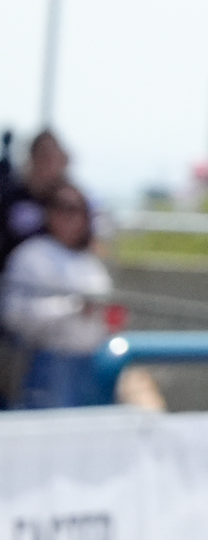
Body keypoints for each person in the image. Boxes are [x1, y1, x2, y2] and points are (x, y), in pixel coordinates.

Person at [3, 185, 112, 408]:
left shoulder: (91, 264)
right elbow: (13, 315)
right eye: (61, 208)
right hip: (44, 367)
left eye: (76, 209)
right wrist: (71, 308)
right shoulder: (30, 255)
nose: (68, 217)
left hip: (93, 366)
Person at [0, 129, 70, 272]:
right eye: (42, 155)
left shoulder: (68, 202)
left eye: (51, 157)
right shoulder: (11, 195)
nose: (47, 164)